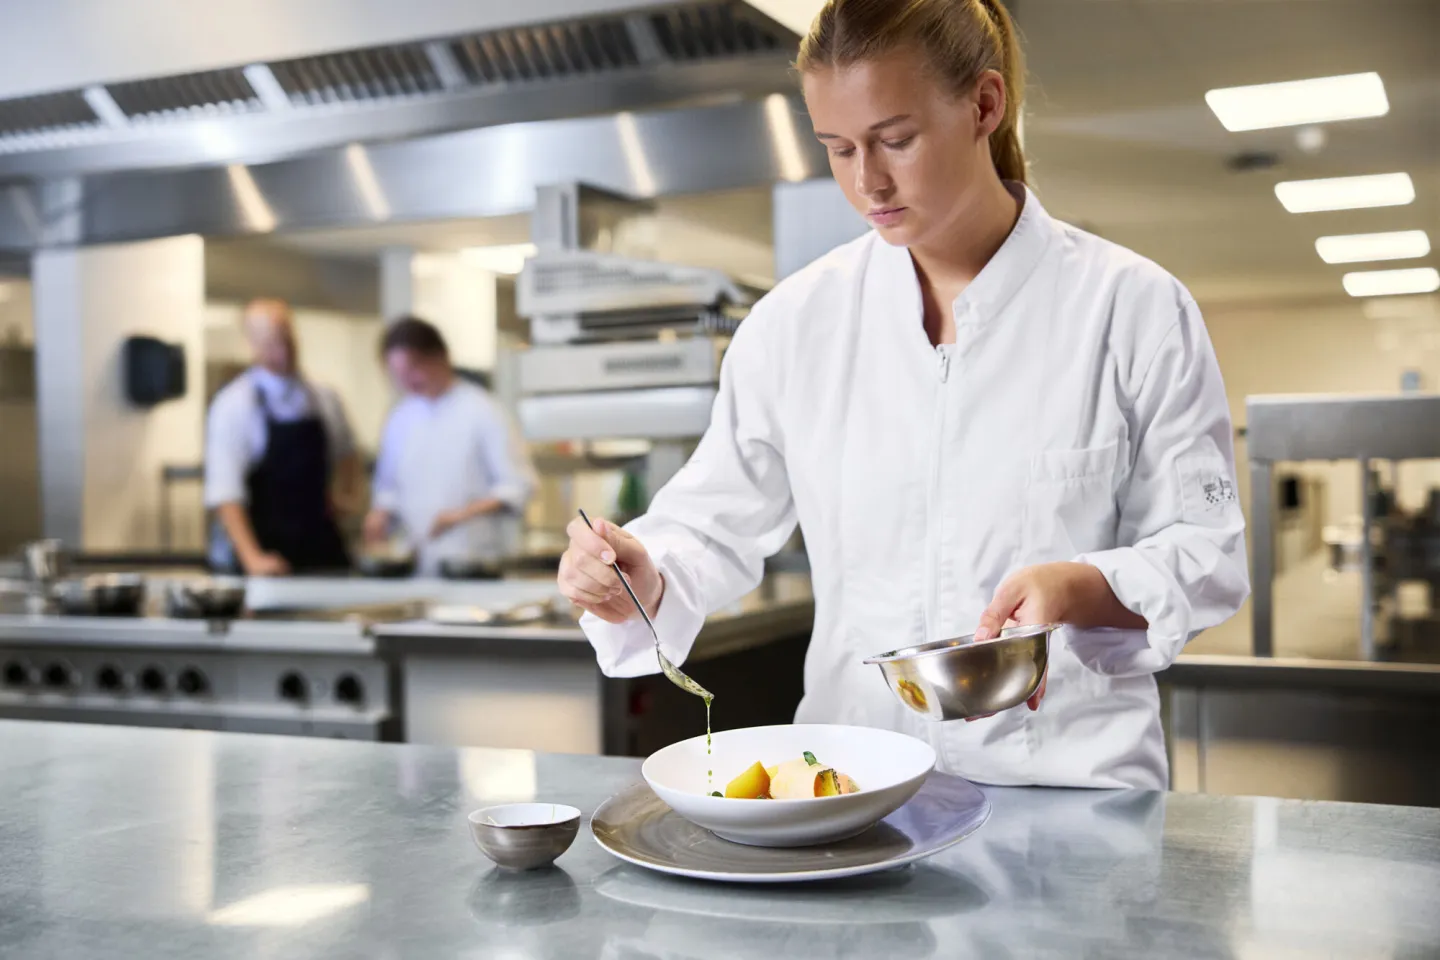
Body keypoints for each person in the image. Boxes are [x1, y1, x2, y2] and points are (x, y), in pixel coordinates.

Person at [559, 0, 1248, 790]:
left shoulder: (1130, 308)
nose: (867, 181)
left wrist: (1086, 587)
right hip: (854, 792)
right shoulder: (795, 324)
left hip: (1072, 790)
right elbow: (709, 528)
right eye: (839, 147)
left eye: (896, 139)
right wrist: (639, 577)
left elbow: (1208, 552)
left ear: (985, 105)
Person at [363, 317, 536, 576]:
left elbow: (518, 487)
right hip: (417, 566)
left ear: (441, 357)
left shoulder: (484, 410)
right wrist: (380, 514)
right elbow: (388, 488)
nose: (408, 382)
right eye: (398, 375)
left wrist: (457, 516)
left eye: (413, 369)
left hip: (475, 565)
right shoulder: (400, 418)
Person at [204, 298, 361, 575]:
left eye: (287, 339)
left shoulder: (323, 398)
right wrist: (253, 559)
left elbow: (348, 453)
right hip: (266, 553)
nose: (283, 350)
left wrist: (344, 496)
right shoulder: (235, 404)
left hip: (320, 551)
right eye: (272, 342)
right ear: (251, 343)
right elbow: (225, 494)